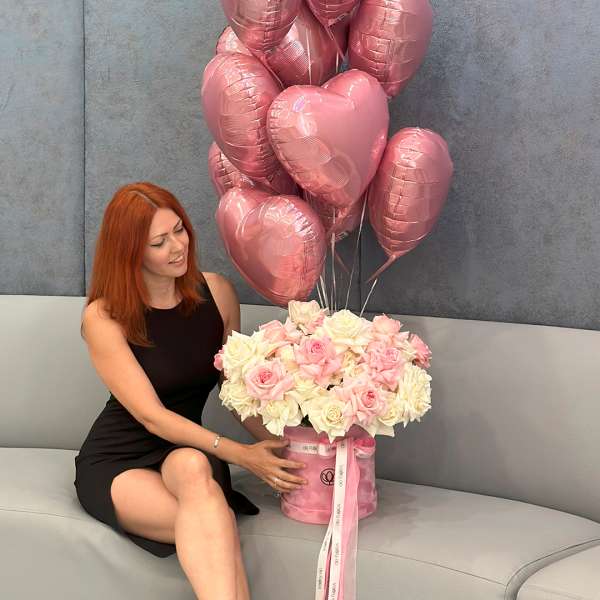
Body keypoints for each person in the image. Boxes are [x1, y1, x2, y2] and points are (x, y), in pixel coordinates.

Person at [73, 181, 308, 600]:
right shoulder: (104, 316)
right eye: (158, 242)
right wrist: (240, 455)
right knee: (214, 523)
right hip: (119, 460)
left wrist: (296, 452)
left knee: (194, 468)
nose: (178, 247)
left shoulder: (217, 293)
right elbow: (151, 416)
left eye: (179, 230)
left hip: (191, 453)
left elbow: (233, 391)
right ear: (130, 252)